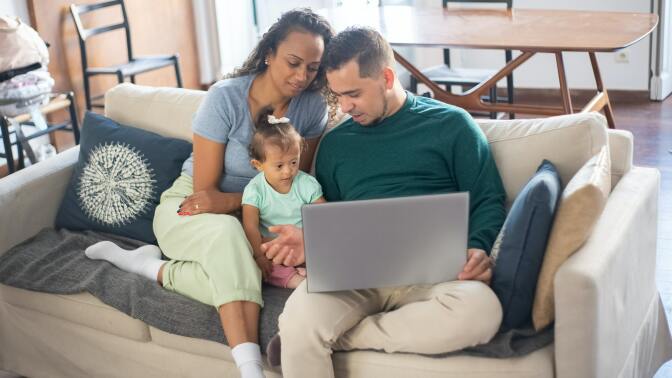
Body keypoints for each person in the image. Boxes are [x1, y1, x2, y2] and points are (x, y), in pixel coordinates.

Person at [84, 8, 333, 378]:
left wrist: (242, 205)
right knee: (233, 243)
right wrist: (237, 205)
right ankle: (250, 368)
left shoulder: (311, 106)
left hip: (253, 213)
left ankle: (148, 266)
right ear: (269, 53)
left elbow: (293, 183)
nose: (302, 77)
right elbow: (205, 194)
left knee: (242, 265)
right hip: (191, 208)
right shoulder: (225, 99)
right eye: (294, 63)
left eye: (312, 68)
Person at [261, 27, 507, 377]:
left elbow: (487, 199)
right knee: (300, 317)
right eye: (338, 96)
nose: (344, 106)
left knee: (481, 312)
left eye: (353, 94)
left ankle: (347, 336)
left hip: (435, 274)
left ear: (386, 77)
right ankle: (309, 334)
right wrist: (311, 244)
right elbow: (330, 218)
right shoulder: (335, 144)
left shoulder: (452, 126)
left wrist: (478, 247)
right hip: (357, 274)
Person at [241, 106, 326, 289]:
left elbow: (324, 216)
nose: (288, 171)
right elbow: (250, 227)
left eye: (293, 162)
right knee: (268, 264)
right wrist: (259, 256)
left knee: (327, 253)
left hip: (304, 245)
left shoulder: (307, 184)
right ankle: (296, 281)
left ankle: (311, 272)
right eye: (279, 166)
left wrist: (313, 242)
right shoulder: (254, 191)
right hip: (274, 248)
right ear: (258, 165)